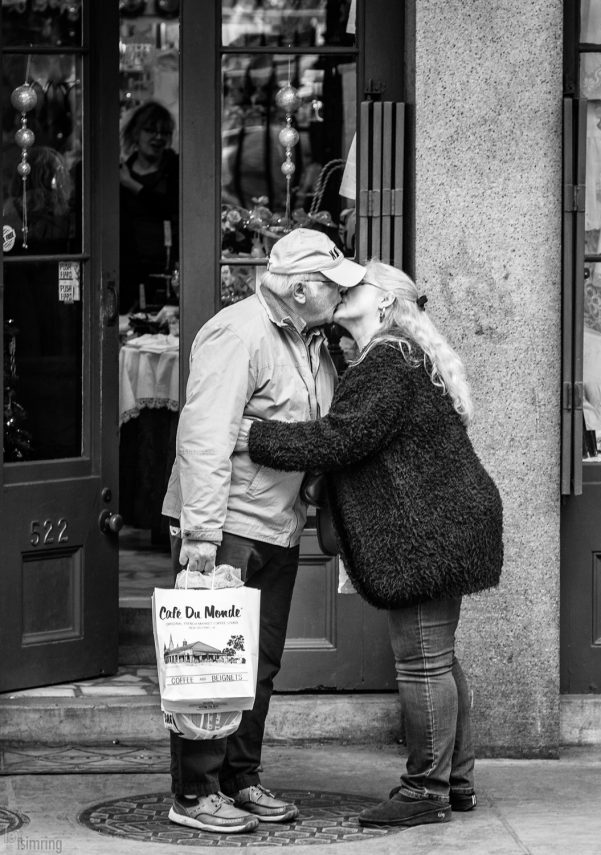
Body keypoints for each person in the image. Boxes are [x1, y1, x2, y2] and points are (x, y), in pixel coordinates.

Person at [243, 259, 504, 829]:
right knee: (437, 656)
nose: (340, 289)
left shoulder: (389, 358)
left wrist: (254, 436)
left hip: (430, 532)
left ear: (383, 302)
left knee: (422, 661)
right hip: (445, 524)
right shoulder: (390, 355)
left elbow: (343, 438)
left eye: (353, 286)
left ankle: (424, 790)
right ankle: (455, 782)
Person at [161, 227, 365, 833]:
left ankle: (239, 779)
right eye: (334, 285)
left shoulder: (308, 337)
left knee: (258, 663)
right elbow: (204, 436)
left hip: (274, 523)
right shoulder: (238, 331)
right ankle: (194, 795)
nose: (340, 295)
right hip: (226, 525)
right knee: (208, 662)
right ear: (301, 288)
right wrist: (199, 535)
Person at [119, 101, 179, 313]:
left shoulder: (175, 167)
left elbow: (171, 206)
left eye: (164, 132)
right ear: (136, 133)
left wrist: (132, 185)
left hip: (168, 270)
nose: (158, 137)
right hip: (130, 271)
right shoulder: (121, 171)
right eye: (150, 130)